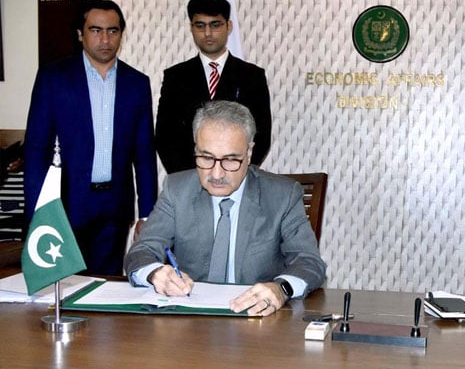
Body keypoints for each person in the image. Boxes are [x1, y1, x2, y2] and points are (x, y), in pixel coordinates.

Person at [124, 101, 326, 316]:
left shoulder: (282, 196)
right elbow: (142, 251)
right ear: (195, 149)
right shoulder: (177, 189)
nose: (217, 174)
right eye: (206, 158)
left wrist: (281, 288)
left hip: (257, 319)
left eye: (230, 160)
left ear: (249, 153)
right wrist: (154, 273)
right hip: (190, 322)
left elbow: (309, 261)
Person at [24, 0, 158, 276]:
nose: (105, 39)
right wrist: (37, 211)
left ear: (122, 33)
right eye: (96, 30)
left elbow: (144, 154)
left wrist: (147, 214)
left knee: (105, 289)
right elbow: (36, 149)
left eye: (113, 31)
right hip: (64, 204)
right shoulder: (54, 78)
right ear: (80, 34)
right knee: (62, 287)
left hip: (114, 207)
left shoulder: (137, 83)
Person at [155, 0, 271, 173]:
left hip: (236, 178)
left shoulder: (251, 75)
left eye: (215, 25)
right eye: (200, 25)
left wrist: (236, 174)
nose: (208, 33)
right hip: (189, 180)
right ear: (191, 28)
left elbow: (261, 135)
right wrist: (189, 178)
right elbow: (165, 136)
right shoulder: (176, 76)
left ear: (228, 26)